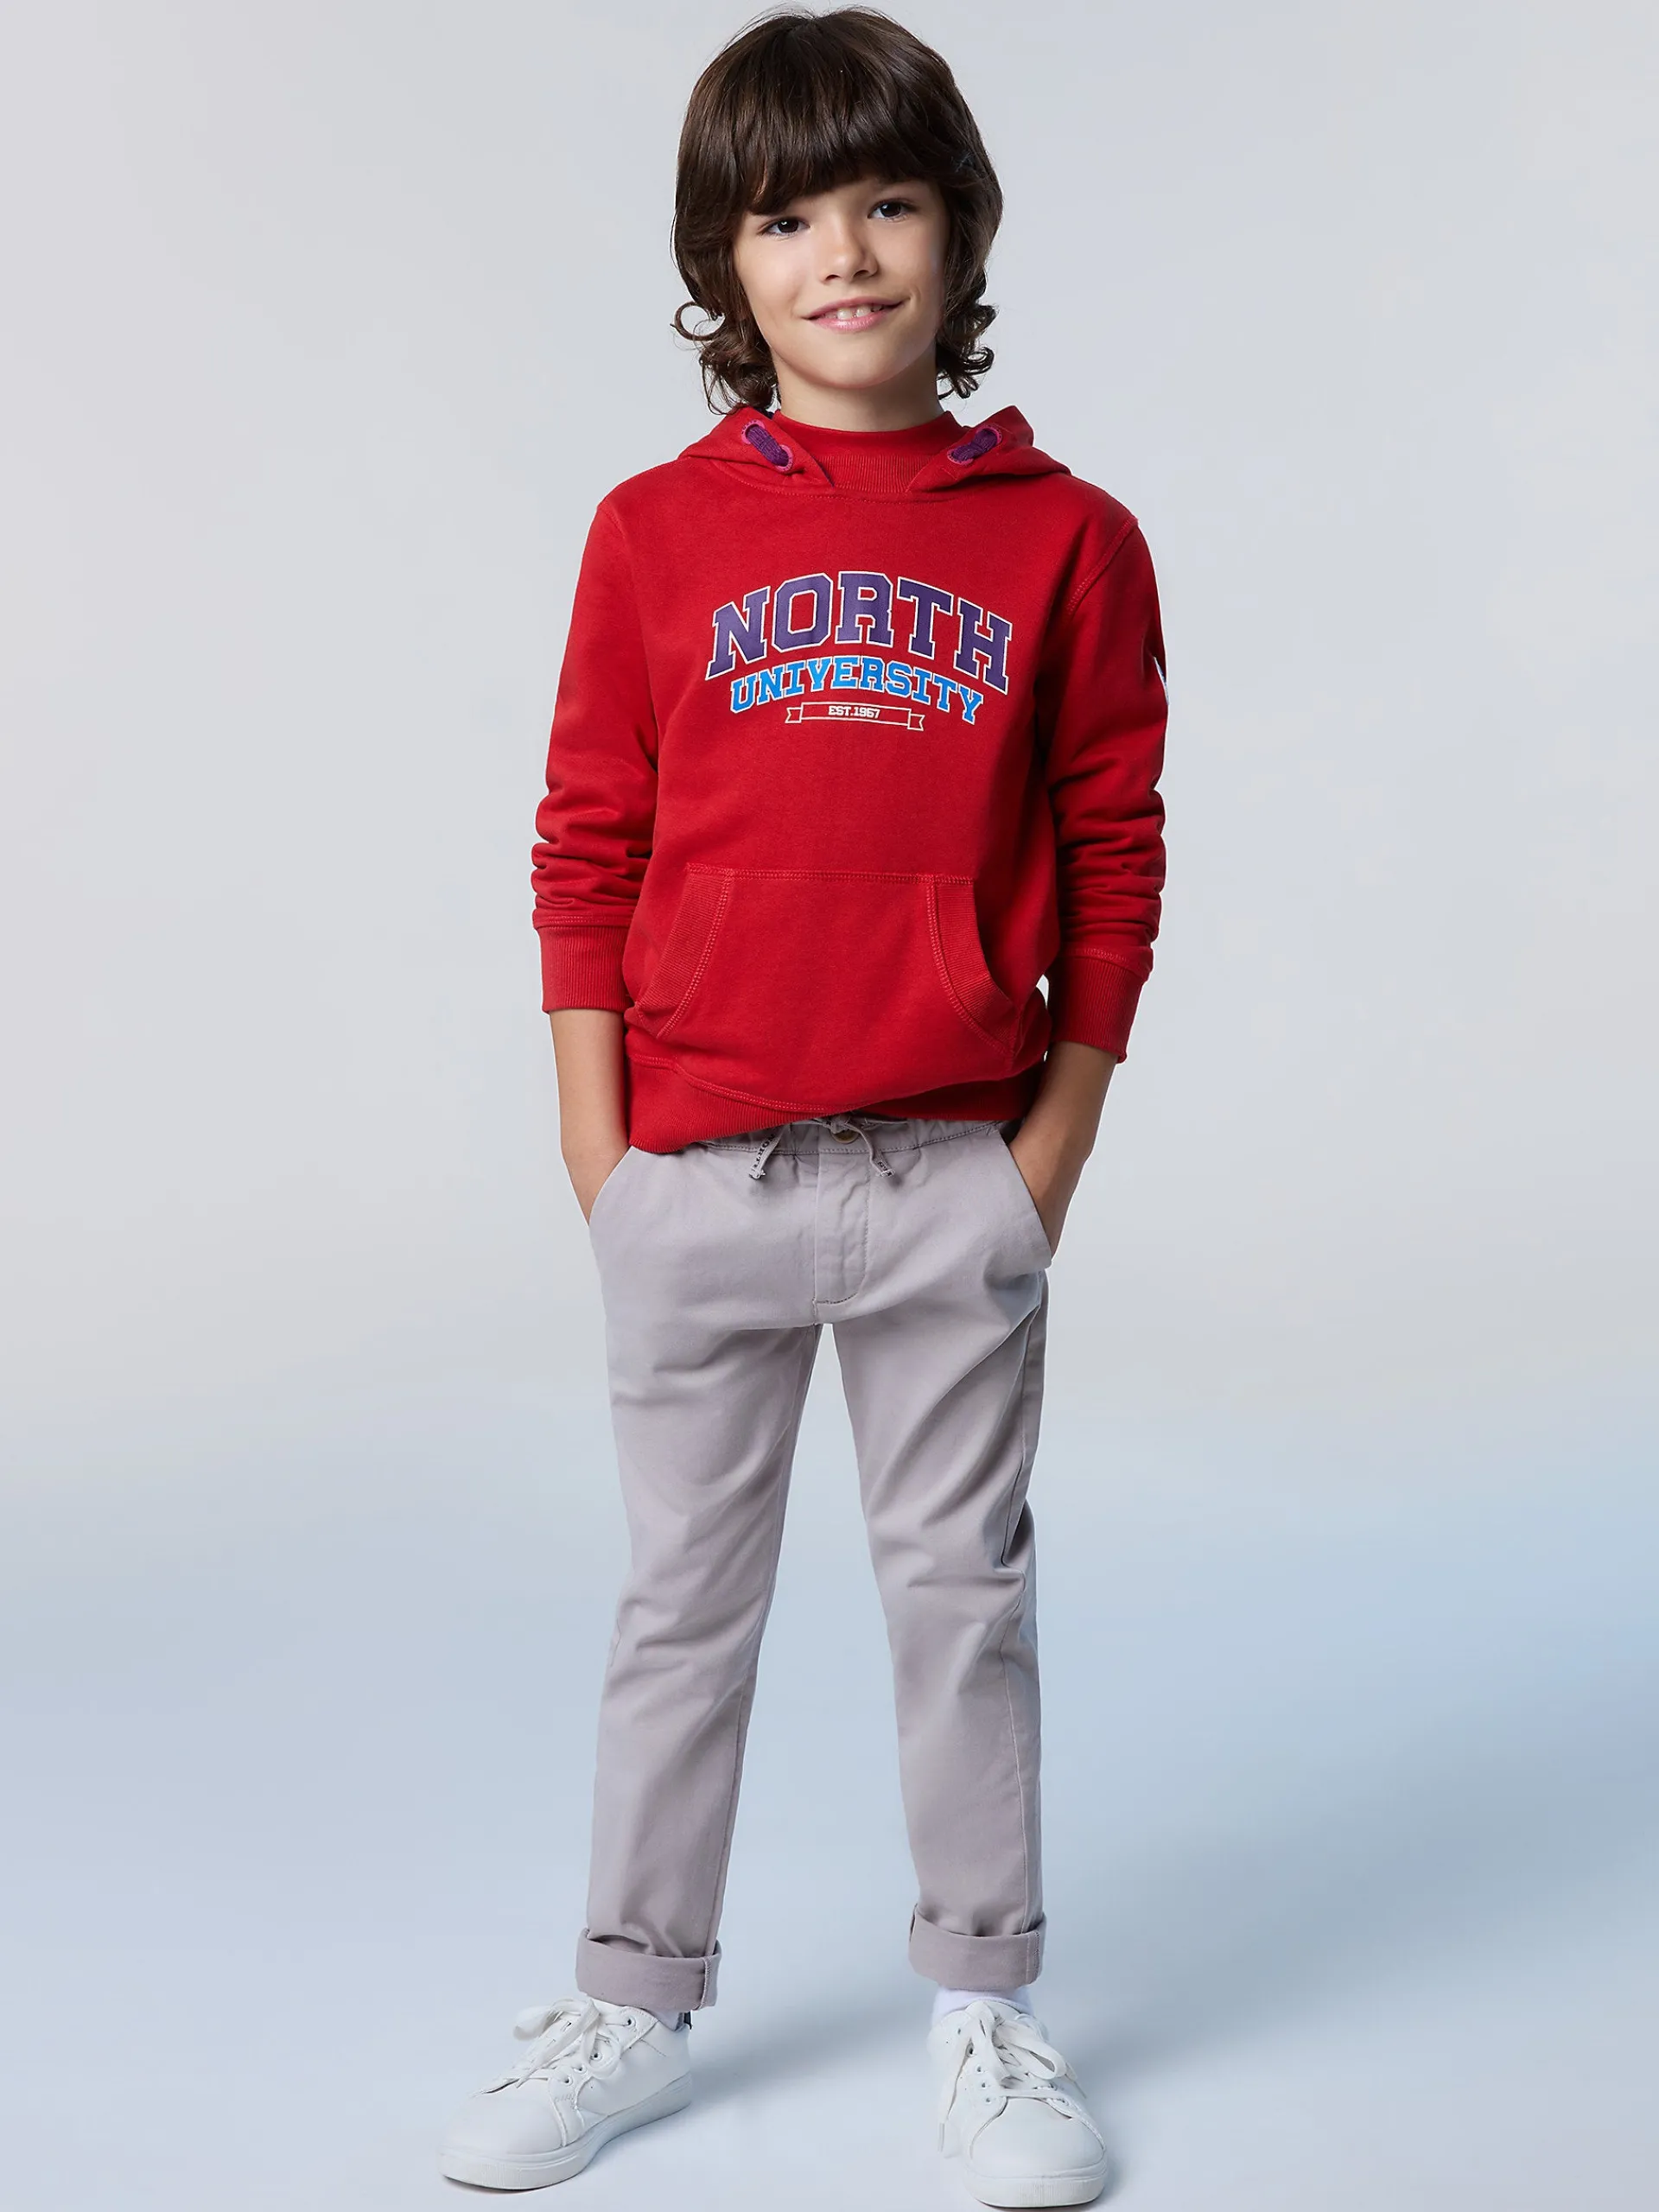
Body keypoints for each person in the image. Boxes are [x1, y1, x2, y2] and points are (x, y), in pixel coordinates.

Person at [439, 9, 1167, 2202]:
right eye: (784, 220)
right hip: (697, 1169)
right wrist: (600, 1157)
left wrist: (1052, 1148)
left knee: (965, 1601)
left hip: (953, 1166)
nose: (841, 255)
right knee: (682, 1604)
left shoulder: (1066, 537)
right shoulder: (654, 534)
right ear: (723, 264)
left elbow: (1115, 847)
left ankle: (985, 2012)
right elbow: (585, 841)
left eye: (887, 202)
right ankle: (631, 1996)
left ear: (960, 232)